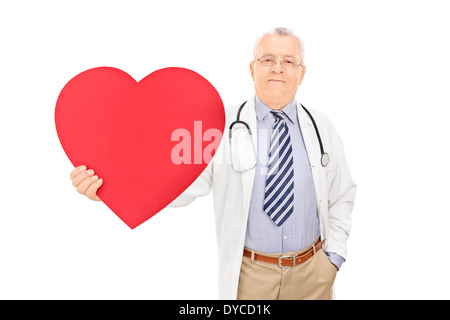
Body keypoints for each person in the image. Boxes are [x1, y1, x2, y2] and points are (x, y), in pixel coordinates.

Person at [70, 27, 356, 300]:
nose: (277, 68)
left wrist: (333, 260)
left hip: (313, 273)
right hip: (250, 275)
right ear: (252, 68)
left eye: (289, 61)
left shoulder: (322, 127)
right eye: (267, 59)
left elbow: (342, 194)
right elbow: (179, 184)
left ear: (301, 72)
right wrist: (112, 191)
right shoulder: (219, 127)